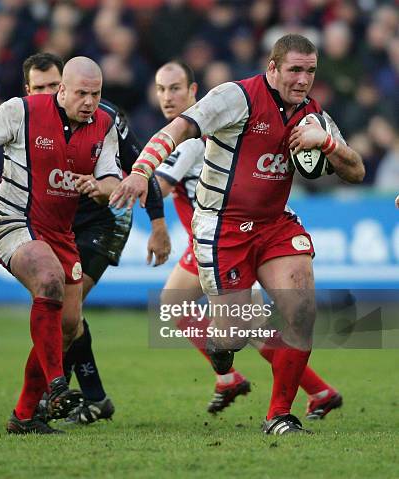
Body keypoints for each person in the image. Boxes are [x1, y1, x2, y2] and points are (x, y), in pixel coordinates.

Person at [111, 34, 364, 434]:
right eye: (295, 70)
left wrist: (327, 142)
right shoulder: (236, 97)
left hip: (275, 223)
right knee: (231, 335)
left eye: (310, 71)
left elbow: (356, 172)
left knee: (301, 309)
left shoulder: (313, 115)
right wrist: (141, 170)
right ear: (273, 68)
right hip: (223, 225)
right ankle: (223, 356)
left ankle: (279, 414)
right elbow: (177, 130)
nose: (303, 79)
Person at [0, 57, 123, 434]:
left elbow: (112, 180)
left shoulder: (105, 126)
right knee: (48, 280)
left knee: (68, 325)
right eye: (81, 93)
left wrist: (99, 188)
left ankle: (25, 415)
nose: (89, 102)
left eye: (96, 94)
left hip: (62, 235)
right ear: (62, 89)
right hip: (13, 221)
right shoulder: (21, 111)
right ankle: (58, 384)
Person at [154, 60, 343, 419]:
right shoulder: (209, 130)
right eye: (162, 89)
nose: (168, 97)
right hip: (219, 236)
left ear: (195, 93)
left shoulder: (192, 141)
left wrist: (122, 186)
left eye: (176, 88)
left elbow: (157, 187)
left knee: (195, 310)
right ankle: (313, 390)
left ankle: (237, 377)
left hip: (223, 235)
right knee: (245, 323)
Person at [22, 52, 171, 424]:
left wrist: (157, 223)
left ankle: (50, 396)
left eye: (52, 85)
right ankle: (94, 397)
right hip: (57, 225)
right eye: (38, 88)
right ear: (28, 90)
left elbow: (142, 166)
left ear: (65, 83)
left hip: (104, 221)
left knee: (64, 314)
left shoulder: (105, 118)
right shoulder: (25, 117)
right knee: (67, 317)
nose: (47, 93)